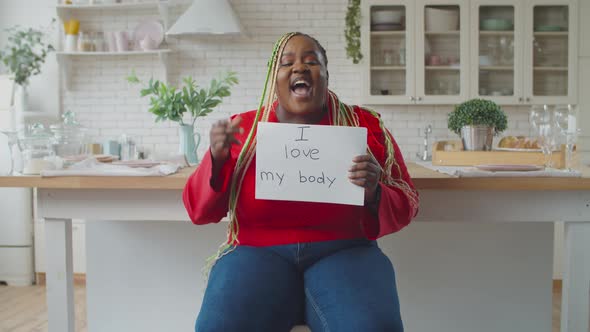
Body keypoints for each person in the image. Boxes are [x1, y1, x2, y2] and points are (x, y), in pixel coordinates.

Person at [183, 32, 419, 332]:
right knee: (218, 327)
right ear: (274, 77)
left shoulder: (366, 125)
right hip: (257, 251)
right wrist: (216, 161)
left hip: (345, 251)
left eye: (312, 61)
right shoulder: (244, 130)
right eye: (287, 63)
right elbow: (199, 211)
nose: (299, 68)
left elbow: (408, 199)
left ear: (326, 75)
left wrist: (375, 192)